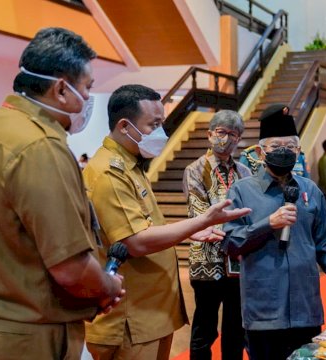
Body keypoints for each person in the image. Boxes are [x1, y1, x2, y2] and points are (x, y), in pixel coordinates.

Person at [84, 85, 250, 360]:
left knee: (234, 326)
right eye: (155, 124)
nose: (162, 132)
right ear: (125, 126)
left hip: (150, 312)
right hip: (132, 317)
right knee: (206, 330)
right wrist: (202, 222)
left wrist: (193, 231)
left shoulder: (132, 166)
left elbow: (147, 225)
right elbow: (135, 241)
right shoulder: (110, 173)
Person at [0, 27, 124, 360]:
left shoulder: (2, 128)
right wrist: (108, 287)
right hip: (33, 335)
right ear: (62, 90)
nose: (89, 98)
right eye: (88, 87)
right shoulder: (40, 147)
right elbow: (71, 268)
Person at [222, 104, 326, 360]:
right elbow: (231, 244)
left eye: (290, 147)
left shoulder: (310, 191)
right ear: (260, 151)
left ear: (299, 151)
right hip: (264, 310)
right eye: (276, 146)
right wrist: (268, 224)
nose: (284, 152)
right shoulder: (242, 191)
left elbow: (325, 245)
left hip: (306, 308)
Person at [182, 110, 251, 360]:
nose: (227, 139)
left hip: (237, 261)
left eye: (234, 134)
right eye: (222, 132)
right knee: (205, 326)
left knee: (236, 327)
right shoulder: (195, 169)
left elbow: (250, 210)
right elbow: (199, 213)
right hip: (206, 260)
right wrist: (240, 229)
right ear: (210, 134)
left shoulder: (244, 171)